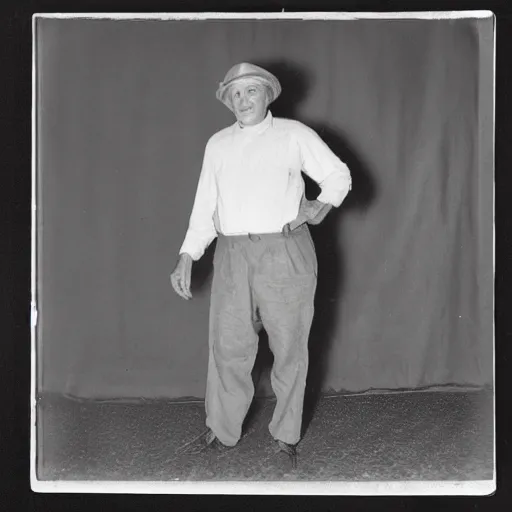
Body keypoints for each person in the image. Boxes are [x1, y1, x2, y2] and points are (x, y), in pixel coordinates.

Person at [170, 62, 352, 468]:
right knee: (227, 346)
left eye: (251, 91)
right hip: (232, 256)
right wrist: (187, 255)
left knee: (289, 346)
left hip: (285, 253)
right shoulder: (217, 145)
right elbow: (204, 208)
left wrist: (318, 207)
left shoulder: (293, 135)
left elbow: (338, 175)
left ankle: (286, 434)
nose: (243, 100)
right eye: (235, 94)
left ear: (267, 95)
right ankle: (221, 428)